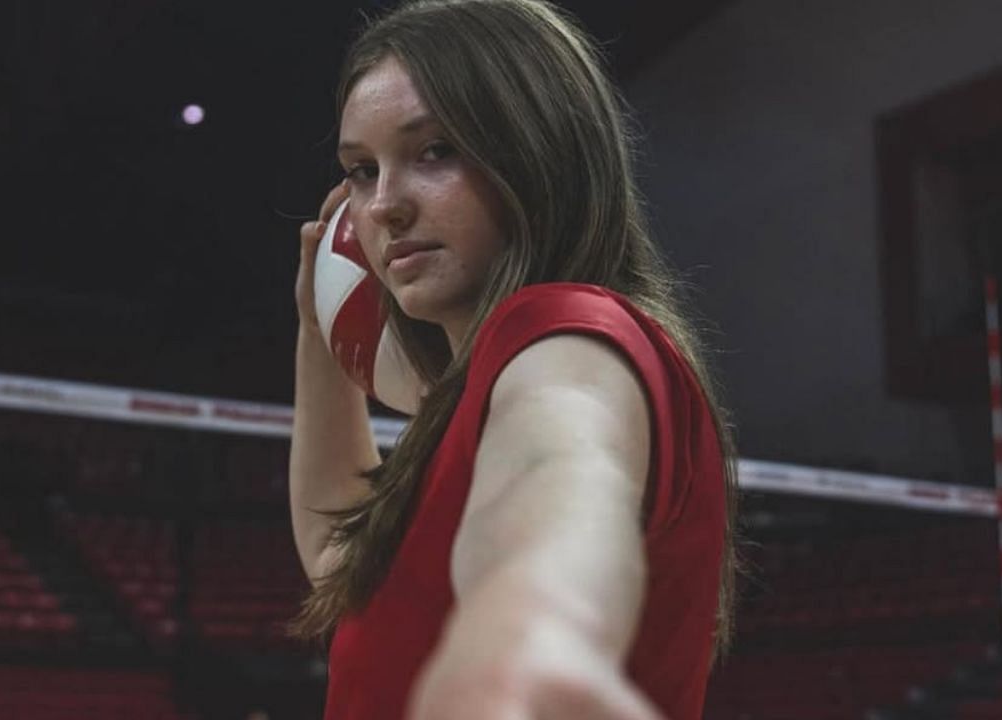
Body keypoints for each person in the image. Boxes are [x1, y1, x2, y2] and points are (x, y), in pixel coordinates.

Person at [287, 1, 739, 718]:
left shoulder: (567, 333)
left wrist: (529, 624)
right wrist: (319, 329)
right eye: (362, 171)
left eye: (434, 150)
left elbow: (560, 466)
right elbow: (342, 558)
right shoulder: (471, 405)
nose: (382, 207)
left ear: (536, 148)